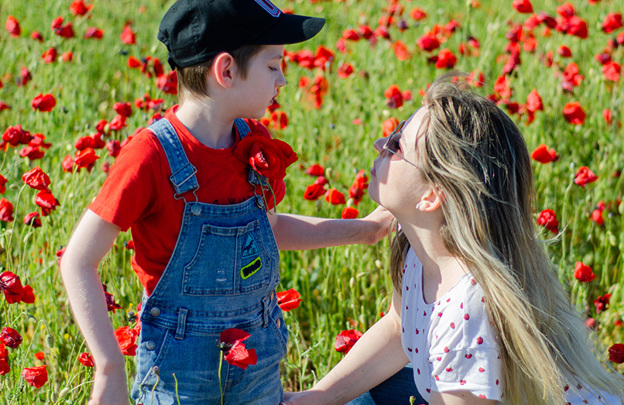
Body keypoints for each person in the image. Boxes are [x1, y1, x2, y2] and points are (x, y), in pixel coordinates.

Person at [59, 1, 391, 404]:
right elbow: (78, 259)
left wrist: (369, 230)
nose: (282, 80)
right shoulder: (151, 157)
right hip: (178, 376)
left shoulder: (252, 142)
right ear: (227, 71)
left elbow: (268, 230)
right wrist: (109, 366)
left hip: (258, 363)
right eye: (273, 66)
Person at [283, 74, 624, 405]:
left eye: (396, 145)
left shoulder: (468, 314)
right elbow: (398, 328)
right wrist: (314, 398)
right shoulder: (419, 251)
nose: (380, 144)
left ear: (432, 196)